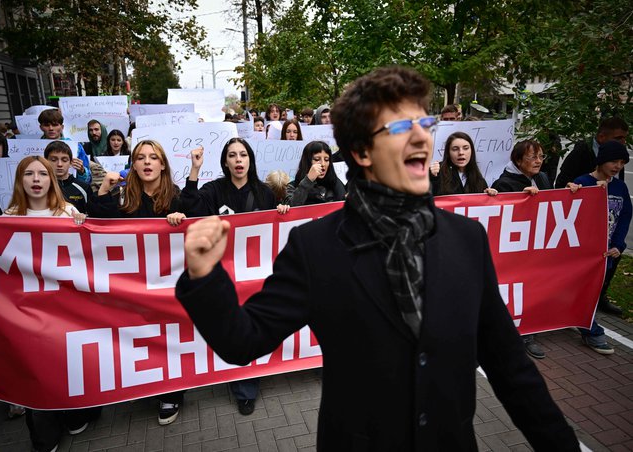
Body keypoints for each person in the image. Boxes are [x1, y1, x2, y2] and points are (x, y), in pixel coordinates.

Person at [175, 66, 579, 451]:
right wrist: (204, 274)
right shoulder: (315, 248)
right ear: (362, 151)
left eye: (427, 123)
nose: (422, 137)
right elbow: (242, 341)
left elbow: (511, 368)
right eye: (403, 127)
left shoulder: (466, 239)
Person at [0, 156, 93, 452]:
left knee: (68, 366)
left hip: (66, 309)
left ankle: (76, 412)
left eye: (43, 173)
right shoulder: (7, 218)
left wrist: (83, 224)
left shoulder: (68, 211)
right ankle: (43, 432)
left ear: (52, 180)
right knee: (36, 370)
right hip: (26, 313)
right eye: (29, 174)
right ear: (20, 180)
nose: (36, 179)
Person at [178, 139, 284, 415]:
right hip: (223, 271)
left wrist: (283, 212)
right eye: (232, 155)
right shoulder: (214, 190)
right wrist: (195, 169)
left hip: (255, 271)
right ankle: (239, 383)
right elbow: (191, 206)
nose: (239, 160)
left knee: (250, 322)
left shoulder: (264, 193)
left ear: (250, 159)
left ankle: (247, 387)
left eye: (243, 154)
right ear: (225, 162)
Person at [89, 139, 187, 425]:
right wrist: (104, 189)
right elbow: (99, 227)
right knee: (138, 336)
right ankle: (144, 385)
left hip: (167, 283)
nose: (146, 163)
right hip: (132, 284)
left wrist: (182, 219)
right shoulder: (122, 195)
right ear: (132, 164)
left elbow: (191, 235)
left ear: (162, 164)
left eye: (153, 157)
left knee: (168, 338)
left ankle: (171, 394)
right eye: (140, 158)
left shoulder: (176, 196)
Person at [491, 140, 579, 360]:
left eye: (541, 157)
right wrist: (523, 199)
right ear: (518, 160)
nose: (538, 161)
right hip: (516, 250)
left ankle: (529, 329)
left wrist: (570, 193)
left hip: (537, 246)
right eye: (532, 157)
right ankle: (518, 334)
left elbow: (552, 207)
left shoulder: (542, 178)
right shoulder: (504, 183)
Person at [575, 141, 631, 334]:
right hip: (584, 252)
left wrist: (618, 244)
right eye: (613, 161)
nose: (618, 167)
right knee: (580, 288)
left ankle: (587, 321)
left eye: (622, 162)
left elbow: (624, 216)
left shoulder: (621, 188)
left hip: (607, 253)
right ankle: (586, 326)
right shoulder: (583, 182)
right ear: (602, 160)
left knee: (595, 290)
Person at [555, 117, 629, 189]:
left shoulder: (620, 154)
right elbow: (562, 183)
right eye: (618, 138)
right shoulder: (581, 152)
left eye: (622, 162)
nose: (623, 142)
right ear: (601, 137)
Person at [430, 132, 497, 196]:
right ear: (448, 153)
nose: (461, 152)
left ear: (471, 151)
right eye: (455, 149)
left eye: (465, 148)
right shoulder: (437, 173)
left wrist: (486, 194)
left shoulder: (478, 179)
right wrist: (432, 177)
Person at [38, 109, 92, 185]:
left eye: (55, 125)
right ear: (41, 127)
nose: (51, 128)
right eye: (46, 125)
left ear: (62, 127)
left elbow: (88, 179)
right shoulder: (31, 148)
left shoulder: (76, 147)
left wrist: (82, 171)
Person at [284, 141, 346, 206]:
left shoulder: (336, 183)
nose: (323, 164)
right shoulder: (293, 186)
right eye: (317, 159)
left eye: (326, 159)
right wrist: (308, 180)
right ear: (307, 162)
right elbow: (292, 207)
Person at [44, 141, 93, 214]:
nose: (59, 164)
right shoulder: (41, 187)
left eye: (64, 160)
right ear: (46, 162)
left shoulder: (83, 188)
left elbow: (91, 216)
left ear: (70, 163)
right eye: (54, 160)